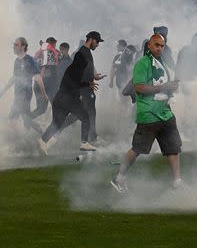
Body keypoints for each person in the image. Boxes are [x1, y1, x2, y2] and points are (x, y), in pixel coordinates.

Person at [111, 34, 184, 193]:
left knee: (173, 148)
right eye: (156, 45)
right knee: (137, 149)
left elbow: (163, 85)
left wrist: (172, 88)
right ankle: (118, 178)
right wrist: (164, 87)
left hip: (166, 113)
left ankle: (177, 182)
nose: (159, 48)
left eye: (162, 46)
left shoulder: (162, 63)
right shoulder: (142, 64)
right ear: (149, 45)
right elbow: (139, 88)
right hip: (149, 115)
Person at [37, 31, 105, 155]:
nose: (98, 45)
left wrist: (91, 80)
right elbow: (74, 77)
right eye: (97, 42)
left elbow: (74, 76)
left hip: (61, 97)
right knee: (85, 117)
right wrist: (84, 87)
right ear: (91, 39)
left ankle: (42, 142)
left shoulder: (81, 56)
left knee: (57, 123)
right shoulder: (82, 54)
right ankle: (84, 143)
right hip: (69, 97)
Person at [0, 38, 46, 135]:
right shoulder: (17, 61)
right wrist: (3, 90)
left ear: (23, 46)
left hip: (24, 94)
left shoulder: (30, 60)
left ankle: (27, 140)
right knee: (27, 119)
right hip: (18, 94)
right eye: (14, 45)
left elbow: (38, 77)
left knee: (12, 121)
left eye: (16, 45)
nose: (14, 47)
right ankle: (42, 134)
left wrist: (43, 94)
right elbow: (14, 77)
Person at [31, 37, 59, 120]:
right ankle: (56, 127)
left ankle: (27, 119)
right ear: (52, 44)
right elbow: (59, 55)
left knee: (41, 109)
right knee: (55, 106)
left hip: (37, 84)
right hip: (46, 84)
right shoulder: (51, 53)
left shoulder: (39, 52)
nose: (54, 46)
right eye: (54, 44)